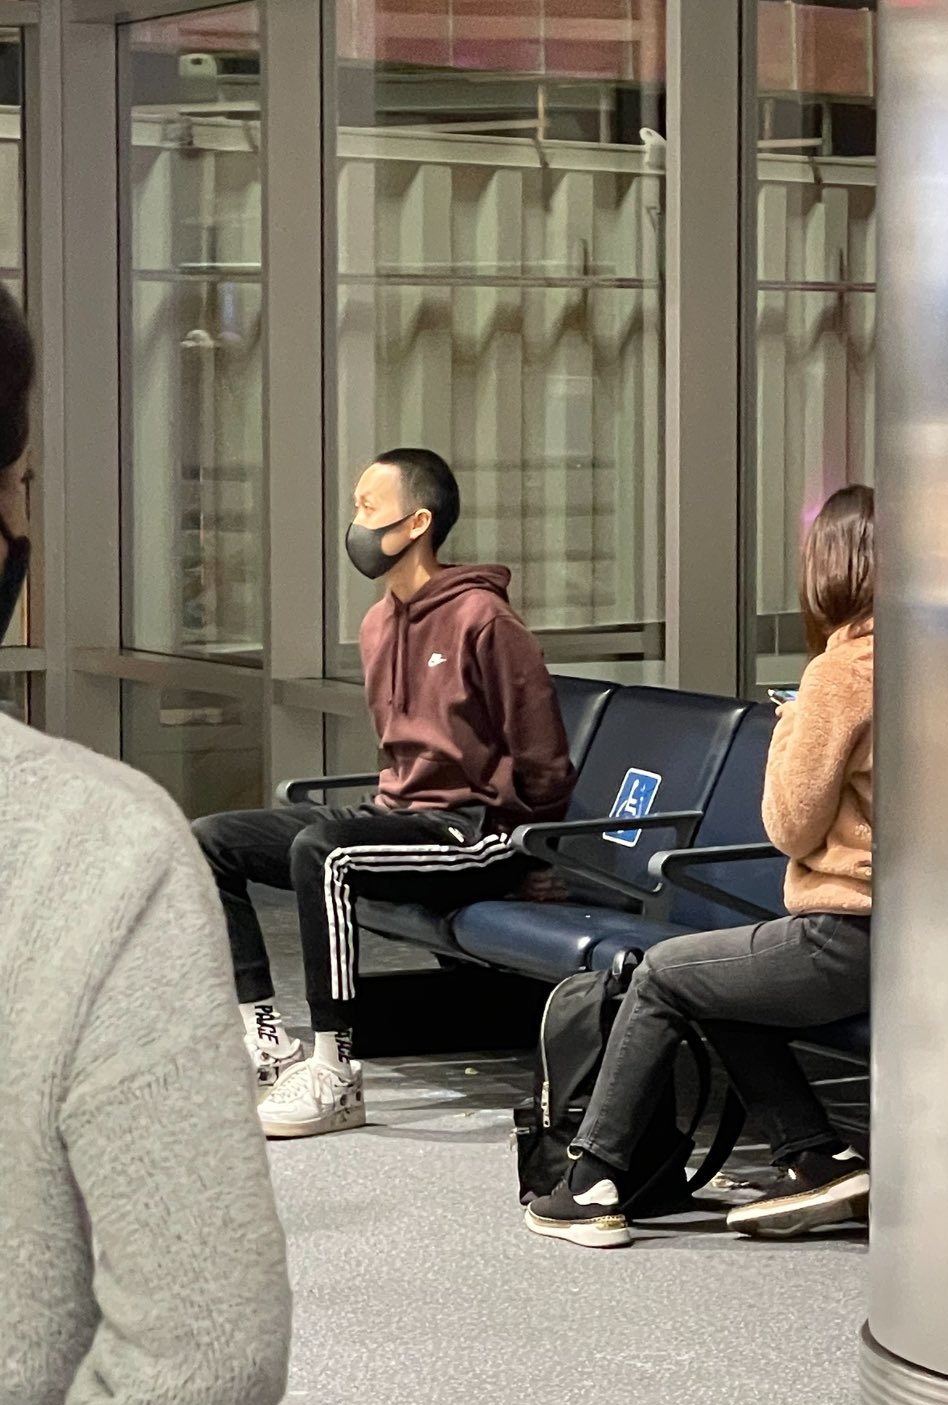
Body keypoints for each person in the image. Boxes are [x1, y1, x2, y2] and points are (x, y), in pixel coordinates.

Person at [0, 284, 292, 1405]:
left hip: (459, 836)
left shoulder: (476, 623)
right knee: (251, 844)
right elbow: (207, 1348)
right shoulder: (89, 846)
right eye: (19, 481)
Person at [524, 485, 875, 1249]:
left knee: (659, 973)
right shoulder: (936, 666)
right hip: (909, 932)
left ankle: (592, 1182)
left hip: (846, 935)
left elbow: (790, 826)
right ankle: (813, 1155)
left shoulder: (843, 671)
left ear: (832, 569)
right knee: (717, 988)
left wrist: (791, 733)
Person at [195, 449, 574, 1139]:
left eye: (369, 508)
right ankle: (263, 1040)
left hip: (471, 831)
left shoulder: (485, 620)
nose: (356, 524)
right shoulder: (378, 625)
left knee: (325, 853)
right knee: (210, 840)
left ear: (418, 522)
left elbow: (544, 756)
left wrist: (529, 853)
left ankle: (336, 1069)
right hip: (395, 819)